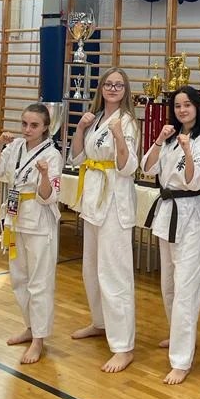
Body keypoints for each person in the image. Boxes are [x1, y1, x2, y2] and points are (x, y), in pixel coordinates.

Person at [141, 85, 200, 384]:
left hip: (190, 215)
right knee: (169, 284)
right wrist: (160, 140)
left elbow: (195, 181)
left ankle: (182, 360)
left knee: (186, 289)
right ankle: (178, 335)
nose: (182, 110)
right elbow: (147, 168)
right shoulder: (169, 138)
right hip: (167, 211)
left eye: (187, 105)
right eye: (178, 105)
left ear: (197, 107)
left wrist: (187, 150)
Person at [68, 66, 139, 372]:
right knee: (91, 268)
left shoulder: (128, 121)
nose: (112, 89)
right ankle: (100, 322)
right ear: (101, 88)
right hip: (94, 197)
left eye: (118, 85)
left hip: (114, 201)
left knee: (114, 273)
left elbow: (128, 167)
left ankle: (123, 346)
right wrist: (80, 129)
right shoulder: (95, 118)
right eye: (108, 84)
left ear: (125, 91)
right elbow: (77, 158)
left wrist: (120, 137)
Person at [0, 103, 62, 365]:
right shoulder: (15, 146)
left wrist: (44, 174)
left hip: (39, 221)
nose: (27, 129)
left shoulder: (52, 155)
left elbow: (49, 196)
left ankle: (39, 339)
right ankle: (30, 328)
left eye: (34, 125)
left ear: (45, 128)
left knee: (39, 282)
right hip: (14, 217)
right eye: (24, 124)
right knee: (19, 278)